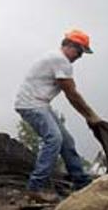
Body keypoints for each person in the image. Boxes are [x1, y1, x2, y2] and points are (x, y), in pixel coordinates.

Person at [14, 29, 102, 192]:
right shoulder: (60, 61)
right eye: (79, 51)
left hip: (40, 104)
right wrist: (91, 116)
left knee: (66, 141)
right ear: (69, 45)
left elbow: (71, 94)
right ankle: (35, 189)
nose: (79, 57)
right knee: (54, 139)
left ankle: (81, 183)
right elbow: (72, 94)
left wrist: (89, 116)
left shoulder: (57, 59)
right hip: (31, 105)